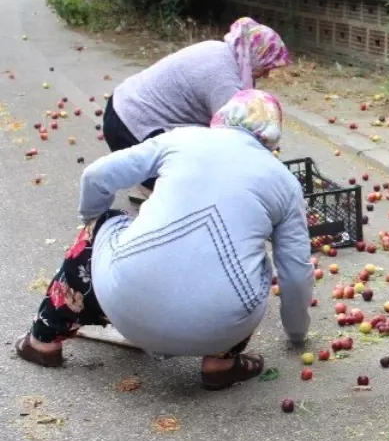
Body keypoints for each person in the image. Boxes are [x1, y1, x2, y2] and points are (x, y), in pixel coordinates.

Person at [14, 90, 314, 390]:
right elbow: (296, 272)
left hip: (122, 302)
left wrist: (92, 221)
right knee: (256, 261)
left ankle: (43, 341)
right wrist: (297, 334)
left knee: (105, 224)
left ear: (220, 118)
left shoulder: (183, 139)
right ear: (272, 138)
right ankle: (221, 364)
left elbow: (96, 175)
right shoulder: (285, 182)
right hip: (218, 328)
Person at [103, 16, 292, 202]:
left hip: (120, 109)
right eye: (266, 66)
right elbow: (237, 141)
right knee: (199, 185)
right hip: (130, 128)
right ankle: (156, 190)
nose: (267, 74)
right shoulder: (224, 81)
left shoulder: (220, 49)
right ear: (255, 57)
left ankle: (147, 183)